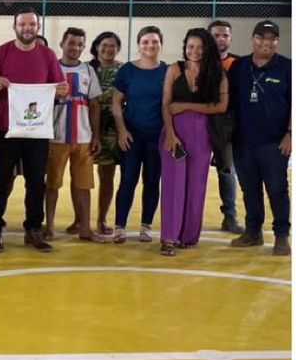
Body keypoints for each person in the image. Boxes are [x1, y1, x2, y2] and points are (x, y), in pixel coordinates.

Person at [0, 8, 68, 253]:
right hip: (5, 129)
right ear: (14, 26)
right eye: (23, 25)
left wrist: (62, 91)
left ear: (37, 27)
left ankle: (33, 230)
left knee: (36, 182)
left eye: (32, 25)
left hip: (37, 131)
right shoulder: (0, 53)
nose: (27, 28)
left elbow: (59, 89)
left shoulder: (48, 55)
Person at [159, 27, 228, 256]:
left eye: (199, 47)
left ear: (207, 48)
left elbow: (221, 106)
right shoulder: (174, 69)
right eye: (190, 46)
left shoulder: (217, 74)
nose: (194, 51)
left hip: (202, 132)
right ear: (184, 47)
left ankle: (188, 235)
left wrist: (187, 106)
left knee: (196, 185)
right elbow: (166, 104)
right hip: (174, 131)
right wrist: (170, 133)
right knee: (172, 184)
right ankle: (169, 237)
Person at [227, 20, 291, 255]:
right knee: (250, 189)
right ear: (252, 39)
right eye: (261, 37)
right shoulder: (239, 67)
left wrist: (290, 134)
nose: (266, 42)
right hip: (243, 142)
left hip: (274, 142)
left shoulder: (287, 68)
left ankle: (281, 235)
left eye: (272, 38)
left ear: (277, 41)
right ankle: (253, 232)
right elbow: (228, 101)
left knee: (277, 189)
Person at [45, 28, 104, 242]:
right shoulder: (51, 69)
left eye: (80, 44)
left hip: (83, 138)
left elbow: (95, 104)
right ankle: (49, 227)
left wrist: (95, 136)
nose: (75, 48)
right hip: (56, 137)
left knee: (83, 185)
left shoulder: (88, 71)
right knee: (52, 184)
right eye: (71, 43)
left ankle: (85, 228)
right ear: (61, 44)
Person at [111, 25, 168, 244]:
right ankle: (120, 226)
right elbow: (116, 102)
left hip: (157, 137)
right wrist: (122, 130)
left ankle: (146, 226)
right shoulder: (127, 70)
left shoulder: (168, 71)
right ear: (138, 45)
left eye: (154, 41)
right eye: (145, 42)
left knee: (152, 181)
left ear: (161, 44)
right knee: (128, 179)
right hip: (132, 136)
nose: (150, 46)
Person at [204, 20, 243, 232]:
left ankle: (230, 216)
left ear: (230, 38)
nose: (220, 39)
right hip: (200, 123)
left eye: (224, 35)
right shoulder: (197, 61)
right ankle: (188, 216)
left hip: (226, 126)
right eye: (216, 35)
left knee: (227, 170)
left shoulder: (238, 65)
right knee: (195, 171)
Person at [86, 30, 122, 234]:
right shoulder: (86, 69)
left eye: (113, 46)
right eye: (104, 45)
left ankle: (101, 219)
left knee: (106, 176)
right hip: (86, 128)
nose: (108, 49)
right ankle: (79, 220)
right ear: (96, 47)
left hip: (112, 131)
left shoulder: (124, 70)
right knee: (80, 176)